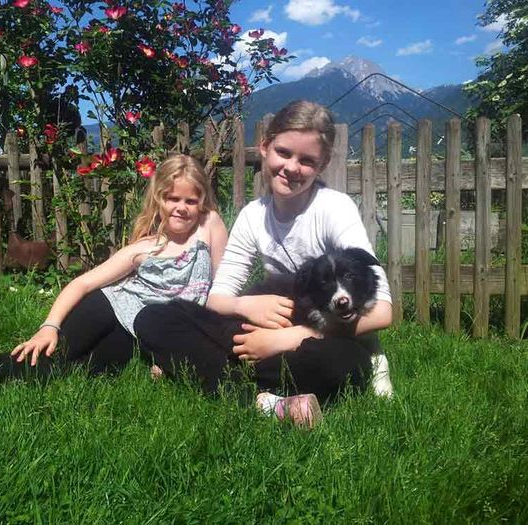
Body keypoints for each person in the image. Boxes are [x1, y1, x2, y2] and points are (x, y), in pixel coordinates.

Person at [0, 154, 228, 406]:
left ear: (202, 202)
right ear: (159, 200)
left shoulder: (209, 225)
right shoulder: (145, 247)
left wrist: (167, 356)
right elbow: (82, 284)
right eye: (173, 198)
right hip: (108, 307)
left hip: (139, 331)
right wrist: (49, 326)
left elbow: (224, 285)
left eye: (190, 200)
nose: (182, 207)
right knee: (49, 351)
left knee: (83, 370)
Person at [134, 101, 393, 428]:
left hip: (320, 341)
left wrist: (290, 338)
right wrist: (246, 305)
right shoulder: (252, 216)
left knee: (344, 364)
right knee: (154, 317)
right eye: (283, 152)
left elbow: (382, 313)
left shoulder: (334, 208)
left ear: (323, 164)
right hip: (260, 329)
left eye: (307, 160)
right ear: (265, 147)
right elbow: (218, 298)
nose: (292, 167)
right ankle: (262, 398)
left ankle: (209, 372)